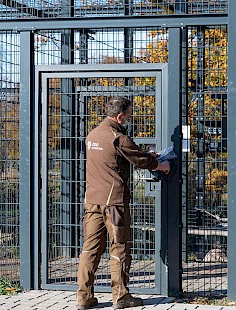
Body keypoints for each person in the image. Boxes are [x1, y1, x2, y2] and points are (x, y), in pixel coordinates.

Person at [77, 97, 170, 310]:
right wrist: (160, 165)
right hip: (114, 203)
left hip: (92, 201)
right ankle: (121, 297)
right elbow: (140, 160)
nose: (128, 119)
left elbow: (123, 156)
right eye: (128, 116)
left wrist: (145, 154)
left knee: (89, 249)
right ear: (119, 116)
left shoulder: (92, 135)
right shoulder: (118, 137)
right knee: (119, 249)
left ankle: (84, 297)